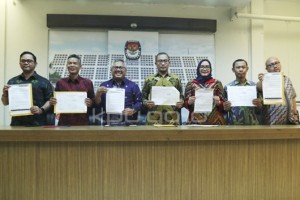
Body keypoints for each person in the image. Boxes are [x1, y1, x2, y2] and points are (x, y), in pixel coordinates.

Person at [1, 51, 53, 126]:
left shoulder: (44, 82)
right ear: (20, 64)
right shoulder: (12, 81)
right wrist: (5, 94)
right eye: (23, 61)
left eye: (29, 61)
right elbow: (5, 103)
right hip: (17, 124)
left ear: (35, 64)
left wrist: (40, 110)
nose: (26, 63)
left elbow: (50, 100)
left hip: (39, 124)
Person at [49, 54, 95, 125]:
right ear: (67, 66)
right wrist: (53, 101)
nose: (72, 65)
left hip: (82, 123)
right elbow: (54, 102)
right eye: (70, 63)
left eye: (75, 63)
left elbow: (94, 101)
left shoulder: (88, 83)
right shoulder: (60, 83)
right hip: (64, 123)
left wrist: (91, 102)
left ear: (80, 66)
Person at [95, 59, 142, 126]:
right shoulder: (104, 85)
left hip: (129, 123)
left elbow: (139, 102)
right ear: (111, 70)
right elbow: (98, 104)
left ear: (125, 71)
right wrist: (98, 94)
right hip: (109, 123)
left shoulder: (133, 86)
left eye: (121, 67)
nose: (118, 70)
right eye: (115, 67)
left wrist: (133, 110)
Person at [142, 52, 184, 125]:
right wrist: (147, 103)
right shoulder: (149, 80)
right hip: (153, 120)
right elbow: (143, 98)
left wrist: (181, 102)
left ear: (169, 63)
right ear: (156, 63)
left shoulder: (176, 79)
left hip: (172, 120)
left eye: (165, 61)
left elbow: (182, 96)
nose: (163, 63)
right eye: (160, 61)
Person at [257, 57, 299, 125]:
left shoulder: (287, 79)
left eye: (277, 63)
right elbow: (259, 87)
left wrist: (295, 113)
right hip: (271, 120)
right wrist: (261, 80)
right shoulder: (265, 80)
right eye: (271, 65)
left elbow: (293, 97)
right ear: (267, 69)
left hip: (289, 119)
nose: (275, 66)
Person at [184, 59, 226, 125]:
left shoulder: (217, 83)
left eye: (207, 67)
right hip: (195, 121)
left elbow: (224, 104)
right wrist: (188, 102)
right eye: (202, 66)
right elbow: (185, 103)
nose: (204, 69)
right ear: (198, 69)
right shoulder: (191, 84)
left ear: (210, 69)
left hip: (215, 122)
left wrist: (219, 103)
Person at [224, 59, 262, 125]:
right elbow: (224, 110)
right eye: (238, 67)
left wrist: (259, 105)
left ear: (247, 69)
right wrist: (226, 108)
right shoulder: (227, 87)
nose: (241, 69)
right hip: (234, 126)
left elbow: (260, 109)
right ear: (233, 70)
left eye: (243, 67)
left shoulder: (254, 86)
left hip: (253, 125)